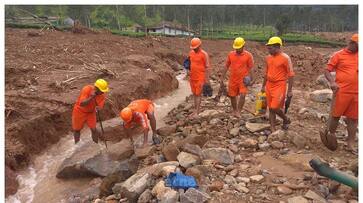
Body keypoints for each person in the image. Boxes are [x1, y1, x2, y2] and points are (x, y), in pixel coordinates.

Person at [320, 33, 358, 154]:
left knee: (353, 119)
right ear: (351, 43)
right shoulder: (339, 55)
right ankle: (331, 137)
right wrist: (332, 82)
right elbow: (327, 71)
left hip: (356, 93)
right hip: (342, 91)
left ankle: (350, 144)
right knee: (335, 116)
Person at [261, 36, 295, 132]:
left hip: (279, 85)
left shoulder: (285, 58)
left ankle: (285, 119)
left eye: (270, 48)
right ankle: (272, 129)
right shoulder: (268, 58)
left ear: (277, 47)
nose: (268, 50)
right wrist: (263, 86)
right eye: (268, 48)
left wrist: (290, 90)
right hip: (269, 85)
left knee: (274, 107)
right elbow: (266, 73)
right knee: (271, 109)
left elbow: (291, 75)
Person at [220, 37, 255, 117]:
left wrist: (252, 79)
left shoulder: (248, 55)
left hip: (243, 80)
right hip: (233, 79)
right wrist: (222, 77)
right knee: (232, 96)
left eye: (238, 48)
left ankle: (239, 111)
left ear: (243, 46)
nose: (237, 49)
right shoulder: (231, 54)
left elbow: (251, 68)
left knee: (243, 95)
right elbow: (226, 66)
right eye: (236, 48)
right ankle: (235, 110)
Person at [72, 79, 109, 144]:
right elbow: (82, 104)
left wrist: (98, 108)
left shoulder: (102, 96)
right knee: (77, 130)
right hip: (79, 111)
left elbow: (100, 106)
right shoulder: (87, 89)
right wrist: (91, 97)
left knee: (94, 129)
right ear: (96, 89)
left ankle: (96, 144)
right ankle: (76, 144)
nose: (103, 92)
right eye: (102, 91)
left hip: (91, 113)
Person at [188, 37, 211, 117]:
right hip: (192, 77)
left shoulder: (204, 54)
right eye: (193, 48)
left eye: (195, 48)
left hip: (200, 77)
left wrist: (207, 80)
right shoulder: (191, 53)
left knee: (198, 94)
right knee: (194, 94)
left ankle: (197, 111)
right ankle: (195, 110)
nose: (194, 49)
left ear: (199, 46)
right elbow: (190, 63)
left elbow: (207, 67)